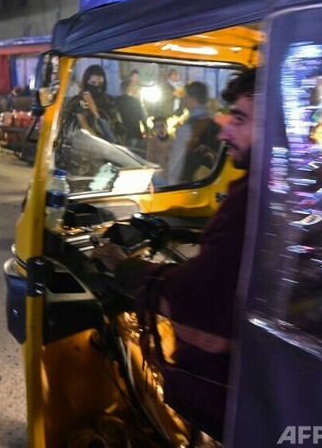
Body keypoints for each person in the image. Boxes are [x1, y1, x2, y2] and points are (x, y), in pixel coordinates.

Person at [92, 68, 256, 439]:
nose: (225, 132)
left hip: (237, 398)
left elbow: (196, 296)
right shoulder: (282, 188)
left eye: (240, 119)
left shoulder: (251, 199)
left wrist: (128, 269)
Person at [167, 80, 221, 184]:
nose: (183, 99)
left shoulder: (186, 128)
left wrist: (171, 184)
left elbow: (176, 166)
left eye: (185, 96)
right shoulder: (217, 126)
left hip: (188, 184)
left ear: (192, 98)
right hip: (209, 183)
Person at [65, 64, 121, 143]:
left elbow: (117, 129)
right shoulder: (79, 102)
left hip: (109, 147)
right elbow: (84, 127)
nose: (97, 87)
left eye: (100, 84)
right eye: (93, 83)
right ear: (86, 82)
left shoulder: (110, 102)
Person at [117, 79, 149, 152]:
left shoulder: (116, 101)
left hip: (121, 137)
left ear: (121, 89)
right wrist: (147, 134)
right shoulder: (136, 102)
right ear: (130, 88)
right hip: (136, 135)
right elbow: (143, 118)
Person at [146, 115, 172, 187]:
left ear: (166, 126)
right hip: (160, 177)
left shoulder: (174, 141)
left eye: (162, 125)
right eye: (157, 127)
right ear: (155, 129)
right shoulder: (152, 143)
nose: (160, 129)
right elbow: (150, 161)